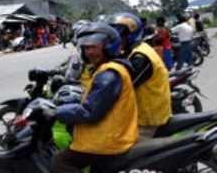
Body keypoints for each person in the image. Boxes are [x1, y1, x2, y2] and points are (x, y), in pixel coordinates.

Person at [51, 23, 138, 172]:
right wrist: (61, 102)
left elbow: (89, 112)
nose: (90, 51)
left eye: (94, 46)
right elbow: (94, 98)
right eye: (86, 48)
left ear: (108, 47)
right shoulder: (109, 68)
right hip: (115, 136)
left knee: (60, 161)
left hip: (108, 142)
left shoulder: (108, 74)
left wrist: (55, 112)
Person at [105, 12, 171, 140]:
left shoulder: (140, 57)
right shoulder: (132, 51)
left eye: (118, 36)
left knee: (117, 152)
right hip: (140, 114)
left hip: (147, 121)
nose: (114, 40)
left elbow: (121, 86)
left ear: (130, 35)